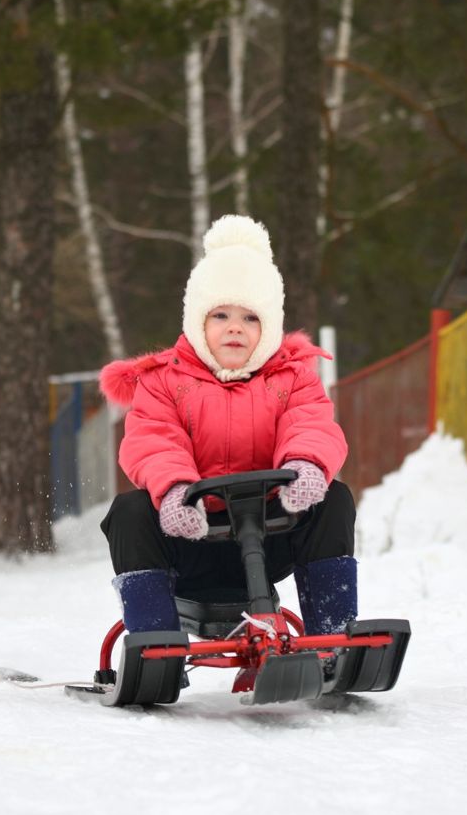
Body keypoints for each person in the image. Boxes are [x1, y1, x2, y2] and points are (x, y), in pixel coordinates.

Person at [98, 214, 357, 638]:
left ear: (269, 326)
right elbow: (153, 439)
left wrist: (307, 466)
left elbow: (309, 423)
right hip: (190, 537)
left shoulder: (291, 376)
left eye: (250, 318)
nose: (235, 327)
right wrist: (176, 491)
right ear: (198, 322)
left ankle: (332, 634)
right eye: (220, 315)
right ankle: (154, 641)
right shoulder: (164, 379)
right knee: (129, 512)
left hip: (273, 533)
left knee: (335, 499)